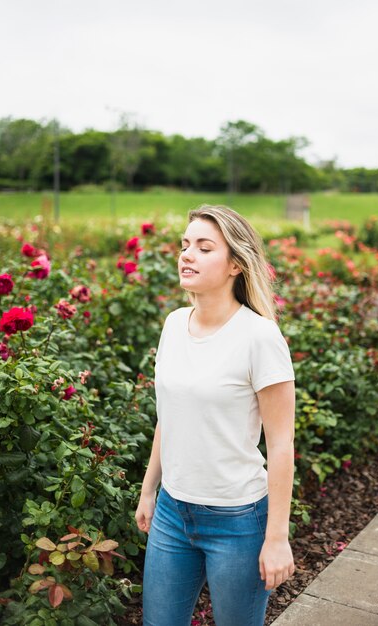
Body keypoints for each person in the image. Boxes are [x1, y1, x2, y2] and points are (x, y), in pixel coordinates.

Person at [135, 204, 296, 626]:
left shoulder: (259, 337)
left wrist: (276, 538)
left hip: (238, 521)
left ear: (235, 266)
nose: (187, 255)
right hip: (173, 512)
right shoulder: (173, 325)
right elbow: (169, 416)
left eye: (204, 248)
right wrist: (150, 489)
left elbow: (281, 444)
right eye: (185, 245)